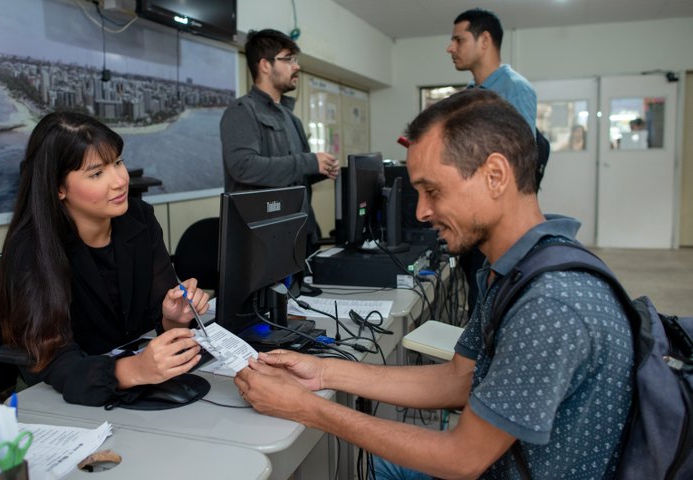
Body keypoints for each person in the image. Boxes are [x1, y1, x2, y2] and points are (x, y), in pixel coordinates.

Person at [235, 89, 634, 479]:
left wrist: (307, 408)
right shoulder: (519, 266)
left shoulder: (549, 303)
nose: (422, 211)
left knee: (341, 467)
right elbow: (459, 378)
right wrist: (324, 373)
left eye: (433, 190)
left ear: (495, 175)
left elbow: (461, 458)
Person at [0, 111, 210, 406]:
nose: (119, 180)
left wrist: (172, 318)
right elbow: (52, 361)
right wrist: (133, 370)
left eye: (118, 163)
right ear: (58, 188)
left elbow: (157, 320)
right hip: (59, 395)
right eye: (97, 173)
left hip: (135, 381)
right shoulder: (31, 249)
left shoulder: (140, 219)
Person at [447, 8, 547, 316]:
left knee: (496, 301)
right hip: (470, 214)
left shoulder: (513, 88)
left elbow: (517, 161)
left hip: (497, 220)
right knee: (477, 296)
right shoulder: (468, 95)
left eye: (458, 39)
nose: (450, 48)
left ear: (484, 40)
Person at [219, 29, 339, 251]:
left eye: (295, 60)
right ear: (265, 65)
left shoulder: (291, 118)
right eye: (289, 60)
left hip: (300, 230)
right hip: (264, 238)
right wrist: (310, 162)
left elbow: (292, 176)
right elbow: (243, 167)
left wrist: (321, 169)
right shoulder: (241, 111)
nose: (296, 66)